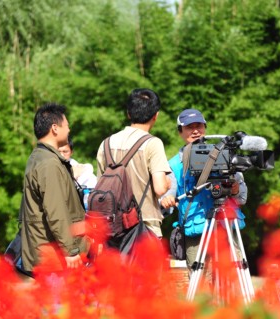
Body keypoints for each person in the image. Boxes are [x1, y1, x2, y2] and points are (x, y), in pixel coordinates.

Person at [165, 108, 247, 273]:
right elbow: (168, 195)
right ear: (180, 132)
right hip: (196, 233)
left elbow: (242, 198)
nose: (195, 131)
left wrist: (235, 189)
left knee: (233, 283)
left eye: (199, 126)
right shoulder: (174, 165)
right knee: (201, 287)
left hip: (227, 230)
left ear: (205, 128)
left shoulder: (224, 155)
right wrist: (166, 199)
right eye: (190, 127)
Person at [96, 88, 175, 238]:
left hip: (112, 229)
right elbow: (159, 188)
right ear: (155, 116)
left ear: (128, 113)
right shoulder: (152, 143)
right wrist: (167, 183)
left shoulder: (106, 144)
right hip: (145, 226)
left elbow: (100, 186)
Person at [20, 103, 88, 276]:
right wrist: (71, 251)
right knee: (59, 303)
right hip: (54, 259)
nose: (69, 129)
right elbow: (56, 211)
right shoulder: (49, 164)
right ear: (55, 128)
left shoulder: (38, 157)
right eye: (66, 125)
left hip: (47, 254)